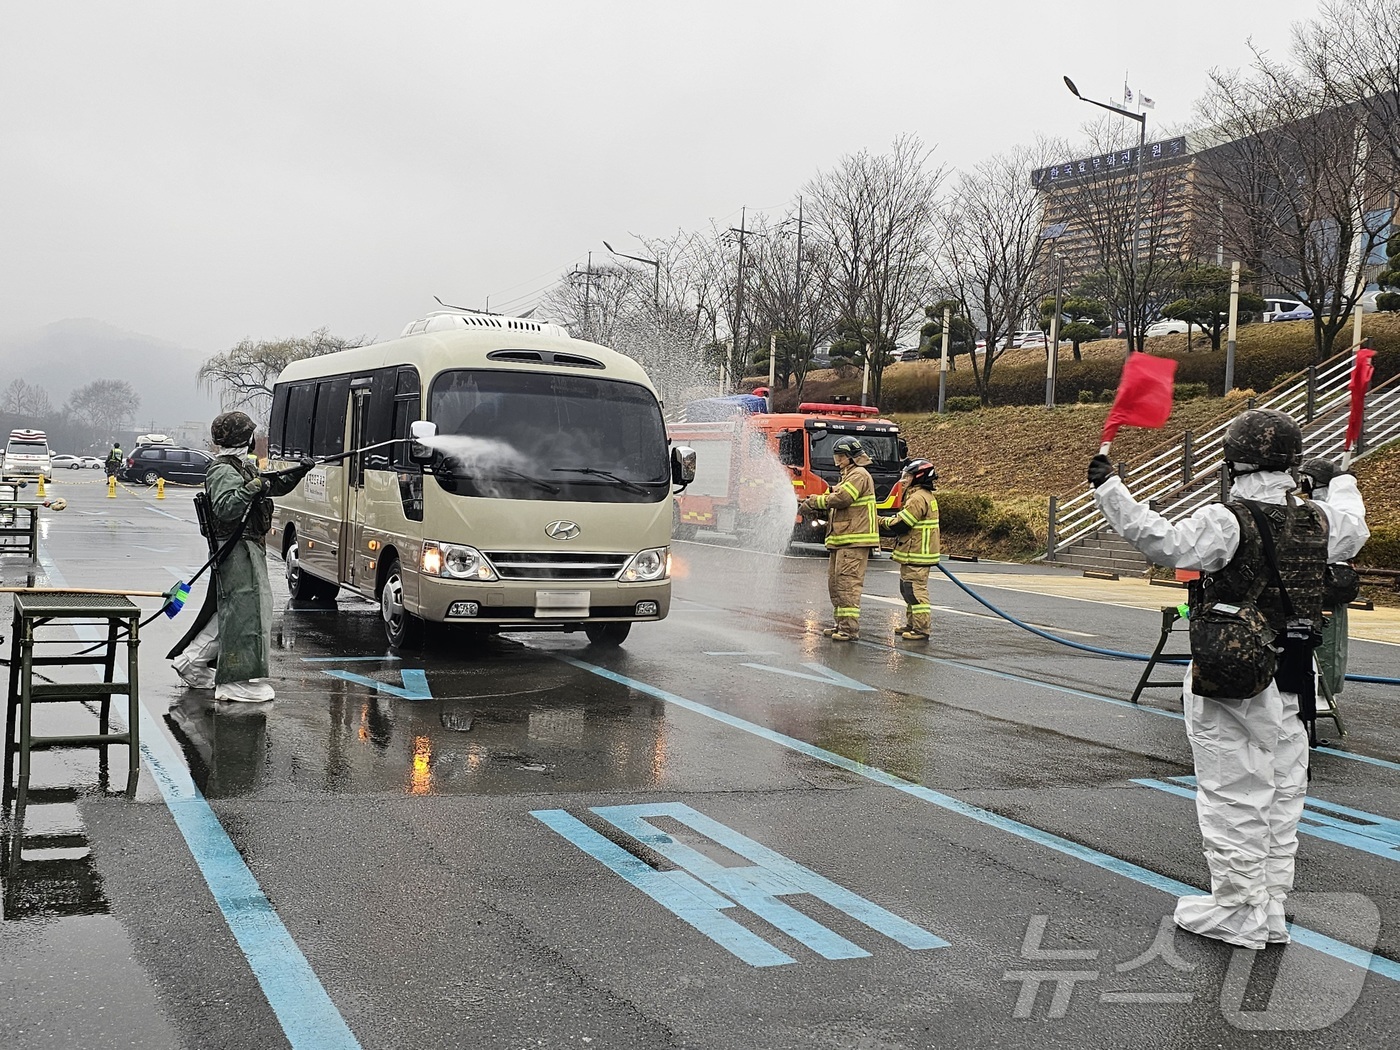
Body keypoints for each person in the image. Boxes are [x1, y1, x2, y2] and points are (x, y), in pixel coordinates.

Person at [1088, 409, 1368, 950]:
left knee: (1233, 790)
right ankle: (1271, 908)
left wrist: (1110, 488)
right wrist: (1341, 480)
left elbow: (1163, 542)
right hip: (1295, 669)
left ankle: (1237, 910)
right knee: (1285, 790)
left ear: (1235, 460)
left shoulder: (1227, 519)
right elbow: (1354, 527)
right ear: (1292, 461)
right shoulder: (1322, 518)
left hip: (1235, 668)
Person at [168, 411, 313, 702]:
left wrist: (299, 471)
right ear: (241, 438)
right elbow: (225, 508)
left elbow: (274, 484)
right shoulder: (223, 470)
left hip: (244, 548)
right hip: (236, 549)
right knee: (245, 612)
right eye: (249, 434)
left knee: (234, 611)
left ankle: (192, 662)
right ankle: (234, 680)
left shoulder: (239, 467)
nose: (252, 439)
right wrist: (251, 488)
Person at [798, 436, 879, 641]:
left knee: (847, 585)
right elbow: (841, 507)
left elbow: (843, 499)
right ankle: (840, 625)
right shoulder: (849, 475)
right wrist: (817, 508)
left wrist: (815, 502)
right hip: (842, 540)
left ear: (851, 457)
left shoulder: (858, 475)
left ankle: (849, 630)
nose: (837, 460)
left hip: (853, 541)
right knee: (836, 585)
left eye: (841, 456)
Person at [1299, 457, 1359, 710]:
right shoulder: (1316, 507)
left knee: (1328, 641)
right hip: (1308, 581)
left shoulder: (1336, 509)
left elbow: (1348, 535)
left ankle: (1323, 692)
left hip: (1327, 582)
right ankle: (1311, 688)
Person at [880, 459, 940, 640]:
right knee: (907, 589)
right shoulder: (923, 496)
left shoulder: (918, 498)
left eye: (909, 476)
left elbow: (902, 524)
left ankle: (921, 629)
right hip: (915, 552)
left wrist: (879, 521)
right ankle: (912, 624)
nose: (904, 480)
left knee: (915, 590)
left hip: (917, 553)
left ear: (919, 477)